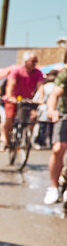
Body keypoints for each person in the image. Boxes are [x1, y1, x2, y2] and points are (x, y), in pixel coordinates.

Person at [0, 52, 44, 151]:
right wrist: (9, 96)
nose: (35, 63)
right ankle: (5, 140)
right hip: (14, 99)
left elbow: (40, 87)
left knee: (33, 117)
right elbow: (10, 85)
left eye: (36, 61)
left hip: (28, 100)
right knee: (9, 119)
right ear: (26, 61)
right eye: (33, 61)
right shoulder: (17, 71)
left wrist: (41, 98)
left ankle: (27, 139)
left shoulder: (38, 73)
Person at [44, 67, 67, 204]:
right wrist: (51, 110)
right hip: (65, 114)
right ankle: (53, 187)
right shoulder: (65, 74)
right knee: (58, 149)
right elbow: (54, 94)